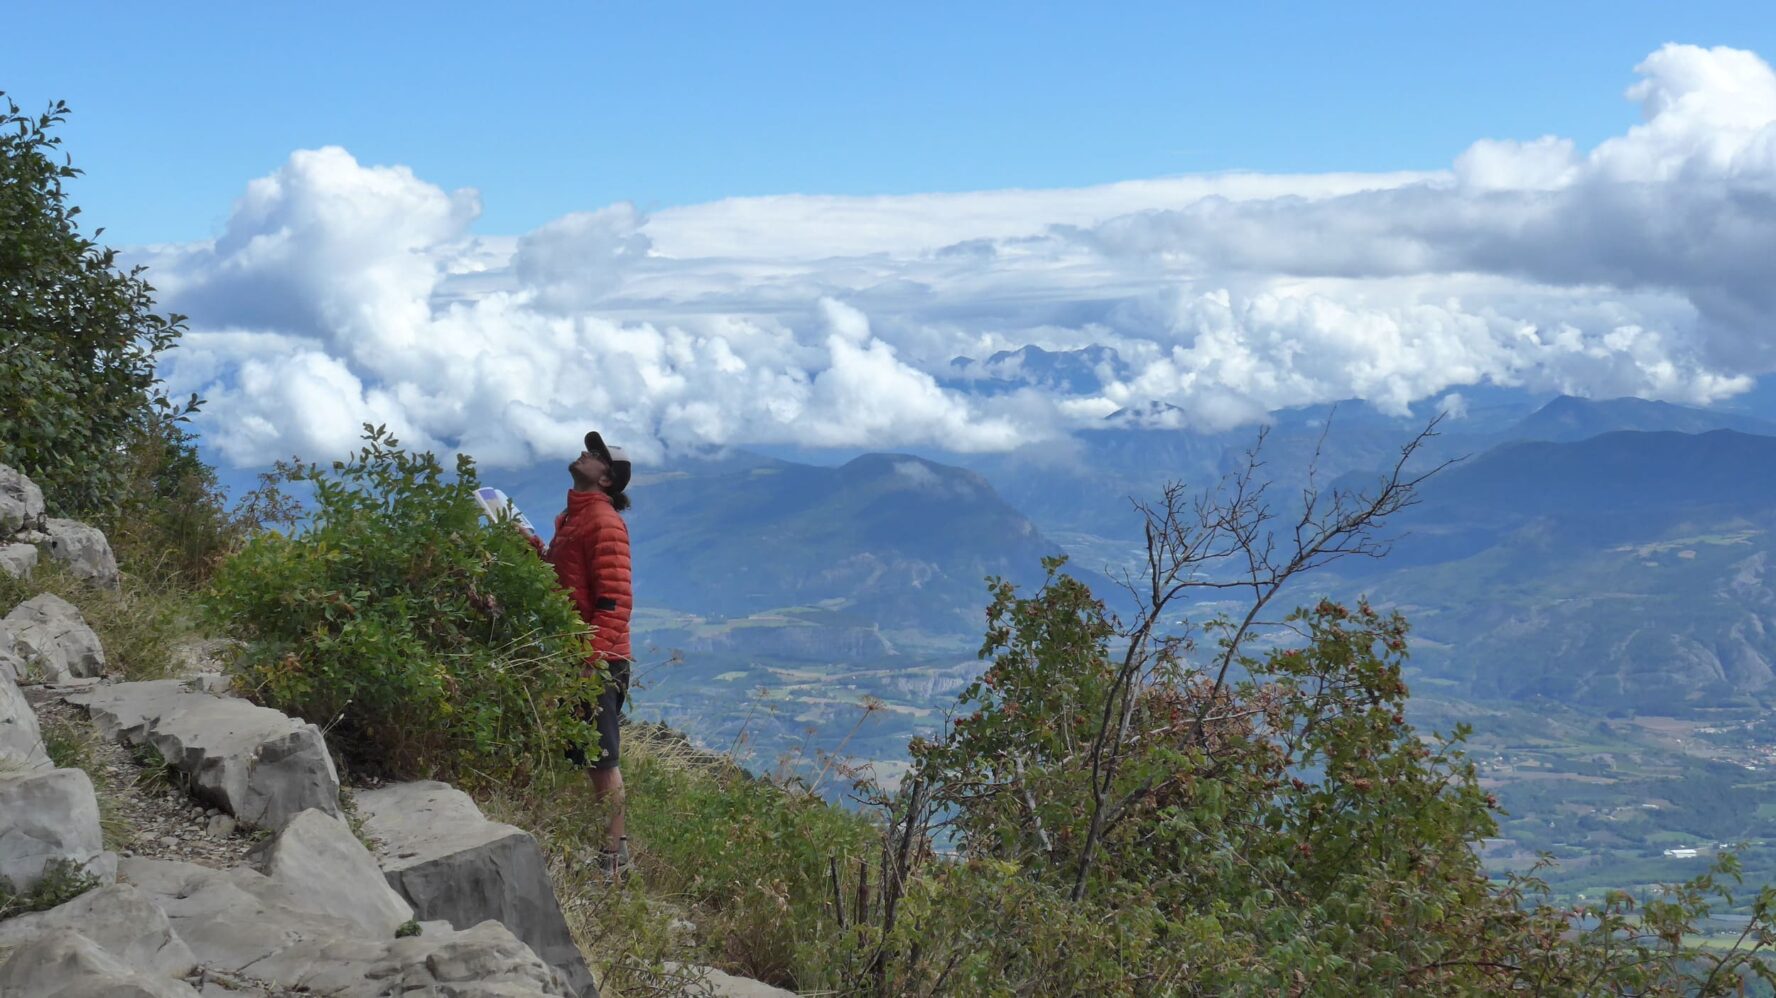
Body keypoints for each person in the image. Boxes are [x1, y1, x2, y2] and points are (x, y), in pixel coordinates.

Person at [544, 430, 634, 877]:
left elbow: (614, 600)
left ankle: (614, 861)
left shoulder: (603, 522)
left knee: (602, 763)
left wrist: (591, 660)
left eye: (597, 455)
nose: (586, 453)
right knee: (585, 758)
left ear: (606, 480)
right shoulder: (572, 518)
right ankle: (604, 849)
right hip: (576, 656)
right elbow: (567, 583)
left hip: (595, 660)